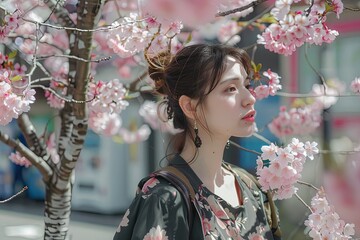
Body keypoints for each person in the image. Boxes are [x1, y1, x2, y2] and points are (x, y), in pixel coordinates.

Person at [113, 43, 281, 239]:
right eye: (231, 88)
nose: (249, 98)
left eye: (247, 85)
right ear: (190, 107)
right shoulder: (164, 197)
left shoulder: (252, 187)